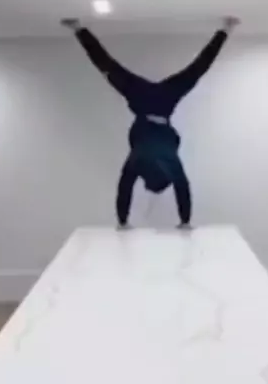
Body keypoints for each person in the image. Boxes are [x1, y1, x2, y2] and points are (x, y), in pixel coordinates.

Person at [62, 17, 240, 228]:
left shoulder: (170, 163)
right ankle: (79, 29)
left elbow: (182, 189)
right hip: (142, 100)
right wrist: (122, 222)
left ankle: (225, 30)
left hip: (164, 102)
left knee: (198, 68)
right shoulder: (137, 161)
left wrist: (185, 221)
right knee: (108, 66)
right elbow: (125, 189)